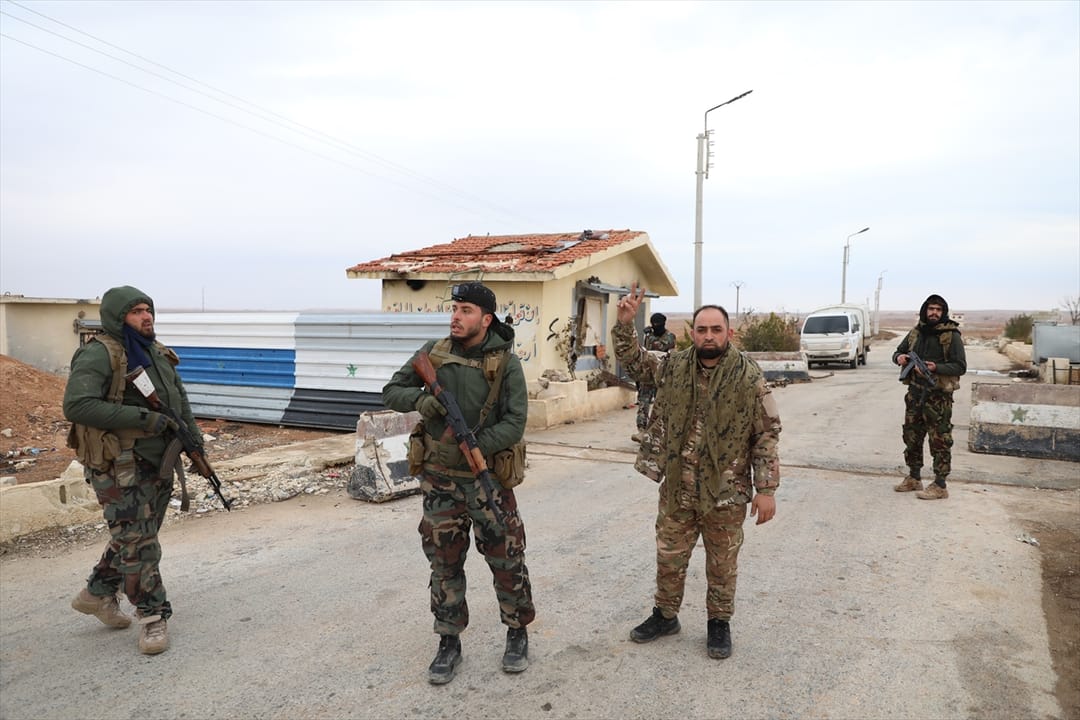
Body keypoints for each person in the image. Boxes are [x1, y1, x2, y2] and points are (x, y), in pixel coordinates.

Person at [612, 282, 781, 660]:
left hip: (726, 490)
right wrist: (624, 324)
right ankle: (665, 615)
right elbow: (635, 361)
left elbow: (766, 433)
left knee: (722, 562)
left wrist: (766, 488)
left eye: (716, 330)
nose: (708, 336)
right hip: (678, 487)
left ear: (729, 334)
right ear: (692, 333)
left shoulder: (749, 377)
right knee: (669, 556)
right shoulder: (673, 366)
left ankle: (719, 622)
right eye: (702, 329)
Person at [382, 282, 534, 685]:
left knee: (507, 558)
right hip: (440, 483)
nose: (456, 316)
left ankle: (517, 632)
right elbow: (391, 391)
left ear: (486, 319)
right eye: (454, 309)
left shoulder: (505, 363)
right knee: (444, 562)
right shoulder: (433, 353)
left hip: (488, 482)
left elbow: (515, 422)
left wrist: (476, 446)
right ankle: (448, 641)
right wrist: (422, 401)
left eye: (466, 310)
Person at [63, 285, 202, 655]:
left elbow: (179, 400)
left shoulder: (155, 352)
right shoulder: (99, 353)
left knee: (136, 536)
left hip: (159, 460)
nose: (146, 317)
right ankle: (153, 616)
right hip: (119, 464)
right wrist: (143, 418)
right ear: (116, 316)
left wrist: (195, 444)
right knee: (139, 543)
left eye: (148, 310)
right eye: (136, 311)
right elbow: (77, 405)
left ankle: (96, 593)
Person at [891, 293, 967, 500]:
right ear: (925, 310)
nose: (934, 313)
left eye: (938, 310)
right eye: (931, 309)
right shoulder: (916, 332)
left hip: (938, 397)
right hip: (915, 393)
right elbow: (897, 352)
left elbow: (960, 366)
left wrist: (936, 368)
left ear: (944, 313)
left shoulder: (951, 335)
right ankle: (914, 477)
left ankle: (940, 485)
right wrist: (900, 358)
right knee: (912, 436)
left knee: (940, 440)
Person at [632, 312, 677, 442]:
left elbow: (662, 348)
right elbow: (645, 353)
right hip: (647, 376)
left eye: (658, 324)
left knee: (661, 405)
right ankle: (641, 430)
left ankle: (658, 432)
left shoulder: (670, 337)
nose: (656, 326)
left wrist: (649, 335)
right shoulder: (648, 337)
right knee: (643, 403)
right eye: (653, 324)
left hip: (662, 377)